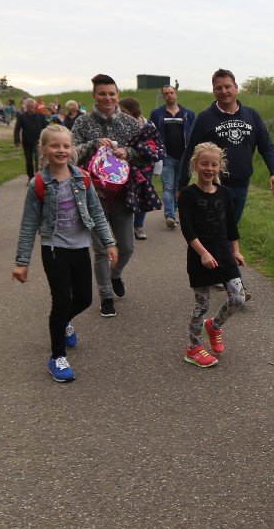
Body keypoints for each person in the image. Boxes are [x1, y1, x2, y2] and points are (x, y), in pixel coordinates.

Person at [12, 124, 119, 382]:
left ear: (72, 149)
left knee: (84, 299)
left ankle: (63, 322)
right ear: (44, 149)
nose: (61, 150)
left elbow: (96, 212)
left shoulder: (82, 178)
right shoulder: (38, 183)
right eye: (55, 145)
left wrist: (109, 242)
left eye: (66, 145)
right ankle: (57, 356)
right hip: (54, 249)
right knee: (61, 300)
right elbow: (28, 225)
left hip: (80, 246)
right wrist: (22, 262)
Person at [70, 74, 142, 318]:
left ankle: (115, 274)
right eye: (102, 93)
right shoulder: (82, 123)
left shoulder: (130, 123)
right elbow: (71, 154)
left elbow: (145, 152)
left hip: (123, 194)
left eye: (111, 93)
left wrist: (127, 152)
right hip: (93, 195)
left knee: (127, 247)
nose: (107, 98)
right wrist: (93, 144)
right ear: (94, 95)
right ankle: (106, 296)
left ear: (117, 95)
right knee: (101, 250)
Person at [180, 69, 274, 223]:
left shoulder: (251, 115)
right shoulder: (204, 118)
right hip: (214, 186)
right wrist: (181, 185)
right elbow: (190, 152)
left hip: (242, 186)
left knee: (231, 229)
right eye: (219, 88)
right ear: (213, 91)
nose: (224, 91)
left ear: (236, 87)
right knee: (215, 230)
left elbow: (266, 146)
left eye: (227, 86)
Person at [178, 142, 246, 368]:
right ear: (195, 165)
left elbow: (231, 225)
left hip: (224, 255)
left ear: (220, 166)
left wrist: (235, 250)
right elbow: (188, 230)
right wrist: (203, 254)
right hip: (200, 258)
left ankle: (214, 326)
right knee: (202, 305)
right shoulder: (187, 194)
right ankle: (193, 347)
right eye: (204, 163)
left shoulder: (224, 193)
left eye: (214, 164)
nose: (209, 168)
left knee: (238, 298)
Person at [149, 84, 195, 230]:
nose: (169, 96)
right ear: (163, 96)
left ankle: (173, 212)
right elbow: (151, 133)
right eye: (166, 94)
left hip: (184, 157)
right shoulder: (157, 114)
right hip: (166, 156)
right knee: (168, 187)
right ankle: (169, 216)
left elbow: (194, 135)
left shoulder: (188, 114)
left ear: (176, 94)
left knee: (179, 187)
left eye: (171, 93)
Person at [119, 97, 164, 240]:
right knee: (125, 197)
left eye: (123, 111)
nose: (121, 113)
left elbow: (157, 145)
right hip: (126, 167)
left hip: (146, 168)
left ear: (132, 111)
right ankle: (124, 228)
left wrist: (158, 167)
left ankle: (138, 226)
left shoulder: (148, 126)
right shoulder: (121, 125)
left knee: (143, 196)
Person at [14, 98, 46, 179]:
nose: (31, 107)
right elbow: (17, 129)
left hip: (38, 141)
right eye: (29, 106)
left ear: (34, 106)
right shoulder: (22, 117)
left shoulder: (40, 116)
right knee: (29, 161)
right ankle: (30, 177)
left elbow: (45, 128)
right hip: (27, 142)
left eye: (32, 105)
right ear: (26, 107)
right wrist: (17, 140)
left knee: (38, 159)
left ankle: (38, 177)